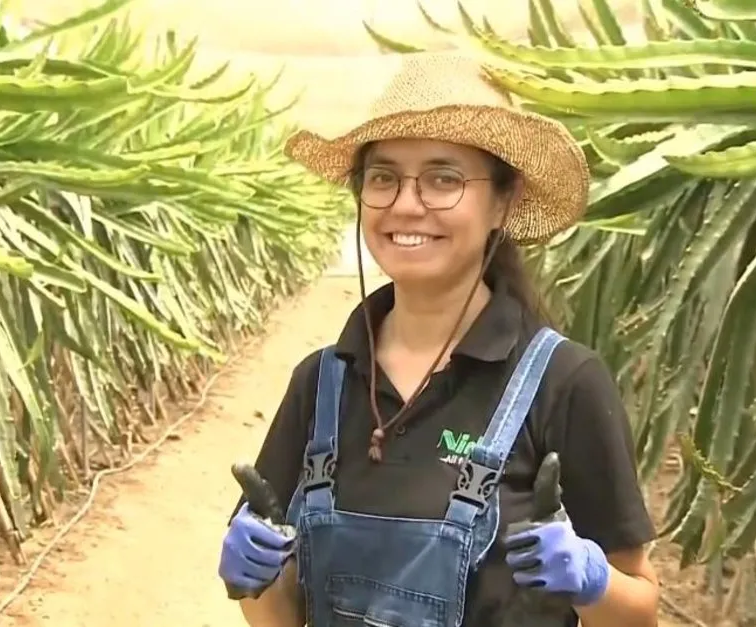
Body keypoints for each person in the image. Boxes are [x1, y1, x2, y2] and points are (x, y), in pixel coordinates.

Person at [217, 52, 661, 627]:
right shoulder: (321, 382)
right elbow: (278, 617)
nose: (406, 204)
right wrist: (256, 579)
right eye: (383, 178)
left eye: (443, 179)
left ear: (504, 201)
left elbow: (640, 610)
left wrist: (594, 581)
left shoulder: (565, 382)